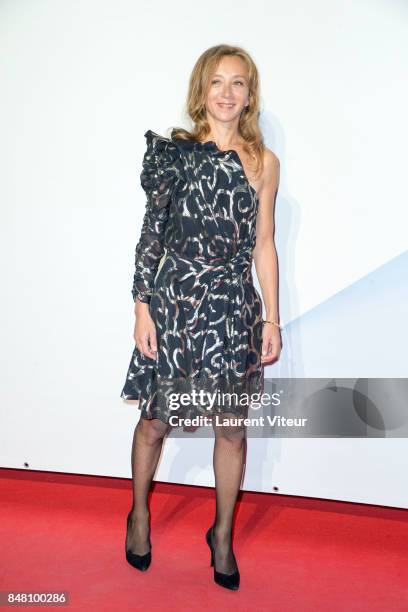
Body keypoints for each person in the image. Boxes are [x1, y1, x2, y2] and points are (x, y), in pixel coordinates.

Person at [120, 43, 281, 590]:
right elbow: (151, 236)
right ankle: (139, 515)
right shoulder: (174, 155)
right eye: (217, 82)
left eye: (238, 83)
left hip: (232, 308)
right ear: (201, 91)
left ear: (249, 94)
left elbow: (264, 245)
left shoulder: (263, 163)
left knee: (231, 429)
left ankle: (222, 535)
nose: (227, 93)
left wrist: (272, 321)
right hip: (175, 303)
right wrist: (143, 306)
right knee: (156, 420)